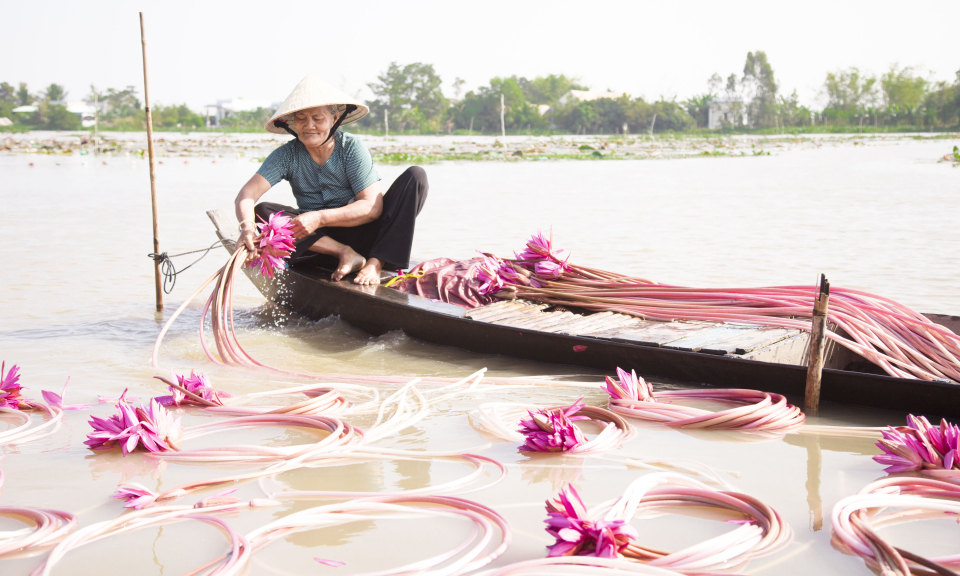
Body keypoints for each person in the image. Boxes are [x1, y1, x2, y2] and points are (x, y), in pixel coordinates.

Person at [234, 75, 428, 285]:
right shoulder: (286, 155)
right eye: (301, 119)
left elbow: (372, 207)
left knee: (416, 177)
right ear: (293, 123)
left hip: (365, 236)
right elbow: (247, 195)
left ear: (334, 119)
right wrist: (247, 228)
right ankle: (346, 254)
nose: (309, 126)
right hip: (319, 243)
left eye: (317, 119)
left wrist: (319, 217)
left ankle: (375, 264)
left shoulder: (350, 147)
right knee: (262, 212)